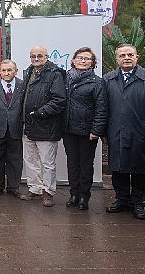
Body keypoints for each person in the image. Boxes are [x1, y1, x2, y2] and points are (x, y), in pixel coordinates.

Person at [104, 44, 145, 220]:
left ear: (137, 57)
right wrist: (104, 133)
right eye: (122, 55)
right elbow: (103, 107)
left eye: (130, 54)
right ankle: (122, 200)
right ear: (117, 59)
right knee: (118, 168)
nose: (126, 58)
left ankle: (138, 203)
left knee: (141, 170)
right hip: (116, 132)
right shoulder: (108, 79)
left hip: (142, 134)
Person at [19, 46, 66, 207]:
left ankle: (48, 192)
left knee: (47, 162)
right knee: (30, 159)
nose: (36, 58)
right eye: (33, 56)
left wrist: (40, 112)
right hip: (28, 125)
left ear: (46, 57)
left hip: (46, 124)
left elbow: (59, 100)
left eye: (40, 55)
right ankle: (35, 188)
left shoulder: (55, 74)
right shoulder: (28, 72)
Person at [62, 47, 107, 210]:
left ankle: (84, 197)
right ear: (73, 60)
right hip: (68, 130)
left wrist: (96, 130)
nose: (83, 60)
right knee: (72, 164)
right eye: (80, 58)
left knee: (86, 165)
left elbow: (101, 108)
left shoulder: (97, 82)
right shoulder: (65, 79)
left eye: (87, 58)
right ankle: (73, 194)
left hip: (88, 132)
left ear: (92, 63)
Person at [0, 59, 24, 198]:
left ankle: (13, 186)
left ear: (16, 71)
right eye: (4, 70)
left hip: (16, 127)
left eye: (10, 70)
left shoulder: (23, 85)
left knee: (15, 158)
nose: (7, 73)